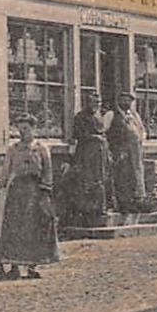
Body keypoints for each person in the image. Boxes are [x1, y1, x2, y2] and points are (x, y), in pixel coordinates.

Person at [0, 115, 60, 279]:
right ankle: (14, 266)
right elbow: (6, 170)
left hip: (36, 190)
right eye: (19, 128)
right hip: (18, 191)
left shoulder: (41, 148)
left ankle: (33, 266)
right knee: (16, 227)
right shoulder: (13, 149)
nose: (22, 132)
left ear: (33, 128)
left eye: (25, 128)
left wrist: (46, 191)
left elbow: (48, 171)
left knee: (36, 227)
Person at [70, 92, 112, 225]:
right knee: (87, 181)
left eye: (98, 103)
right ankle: (87, 212)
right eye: (94, 102)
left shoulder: (99, 117)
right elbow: (77, 134)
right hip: (86, 154)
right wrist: (93, 137)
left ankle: (100, 208)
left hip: (99, 154)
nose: (97, 105)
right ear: (87, 103)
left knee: (101, 180)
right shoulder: (81, 117)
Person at [106, 91, 149, 214]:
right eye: (123, 100)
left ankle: (134, 202)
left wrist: (141, 141)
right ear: (118, 101)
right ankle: (122, 204)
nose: (126, 103)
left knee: (134, 176)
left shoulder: (134, 115)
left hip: (135, 151)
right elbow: (104, 131)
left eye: (129, 101)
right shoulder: (111, 114)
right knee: (121, 176)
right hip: (119, 151)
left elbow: (142, 130)